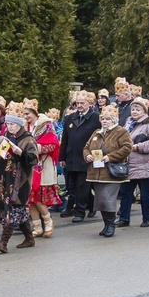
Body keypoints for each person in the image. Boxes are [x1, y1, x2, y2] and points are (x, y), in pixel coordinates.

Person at [0, 102, 39, 253]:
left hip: (20, 181)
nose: (9, 127)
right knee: (19, 211)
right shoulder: (7, 137)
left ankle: (3, 242)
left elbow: (33, 159)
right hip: (6, 178)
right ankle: (29, 238)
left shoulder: (28, 139)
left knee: (13, 209)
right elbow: (2, 156)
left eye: (12, 124)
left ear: (19, 125)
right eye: (8, 124)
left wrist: (20, 152)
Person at [83, 105, 133, 237]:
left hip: (112, 172)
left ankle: (111, 224)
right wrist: (87, 155)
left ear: (114, 120)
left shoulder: (121, 132)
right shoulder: (96, 133)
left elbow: (127, 148)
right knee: (100, 200)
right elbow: (86, 147)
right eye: (102, 119)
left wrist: (110, 157)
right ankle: (106, 224)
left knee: (107, 199)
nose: (104, 121)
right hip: (96, 172)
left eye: (107, 119)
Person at [116, 97, 149, 228]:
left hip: (145, 164)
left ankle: (147, 219)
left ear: (144, 110)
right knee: (125, 193)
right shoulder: (128, 123)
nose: (134, 112)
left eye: (138, 109)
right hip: (129, 164)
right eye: (133, 109)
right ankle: (124, 218)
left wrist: (138, 147)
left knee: (146, 194)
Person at [59, 90, 101, 223]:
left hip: (86, 157)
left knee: (82, 186)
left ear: (89, 103)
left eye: (82, 103)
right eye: (77, 103)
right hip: (71, 156)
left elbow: (100, 138)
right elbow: (64, 139)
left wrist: (97, 156)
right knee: (73, 185)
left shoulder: (96, 118)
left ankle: (80, 211)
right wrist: (62, 158)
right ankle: (91, 204)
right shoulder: (69, 118)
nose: (79, 106)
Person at [23, 99, 61, 238]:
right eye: (24, 114)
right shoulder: (25, 127)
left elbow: (53, 145)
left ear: (34, 112)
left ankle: (48, 220)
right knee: (30, 197)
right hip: (28, 166)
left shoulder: (46, 125)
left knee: (37, 195)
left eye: (27, 113)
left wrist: (35, 149)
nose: (25, 116)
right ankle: (37, 226)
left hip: (43, 165)